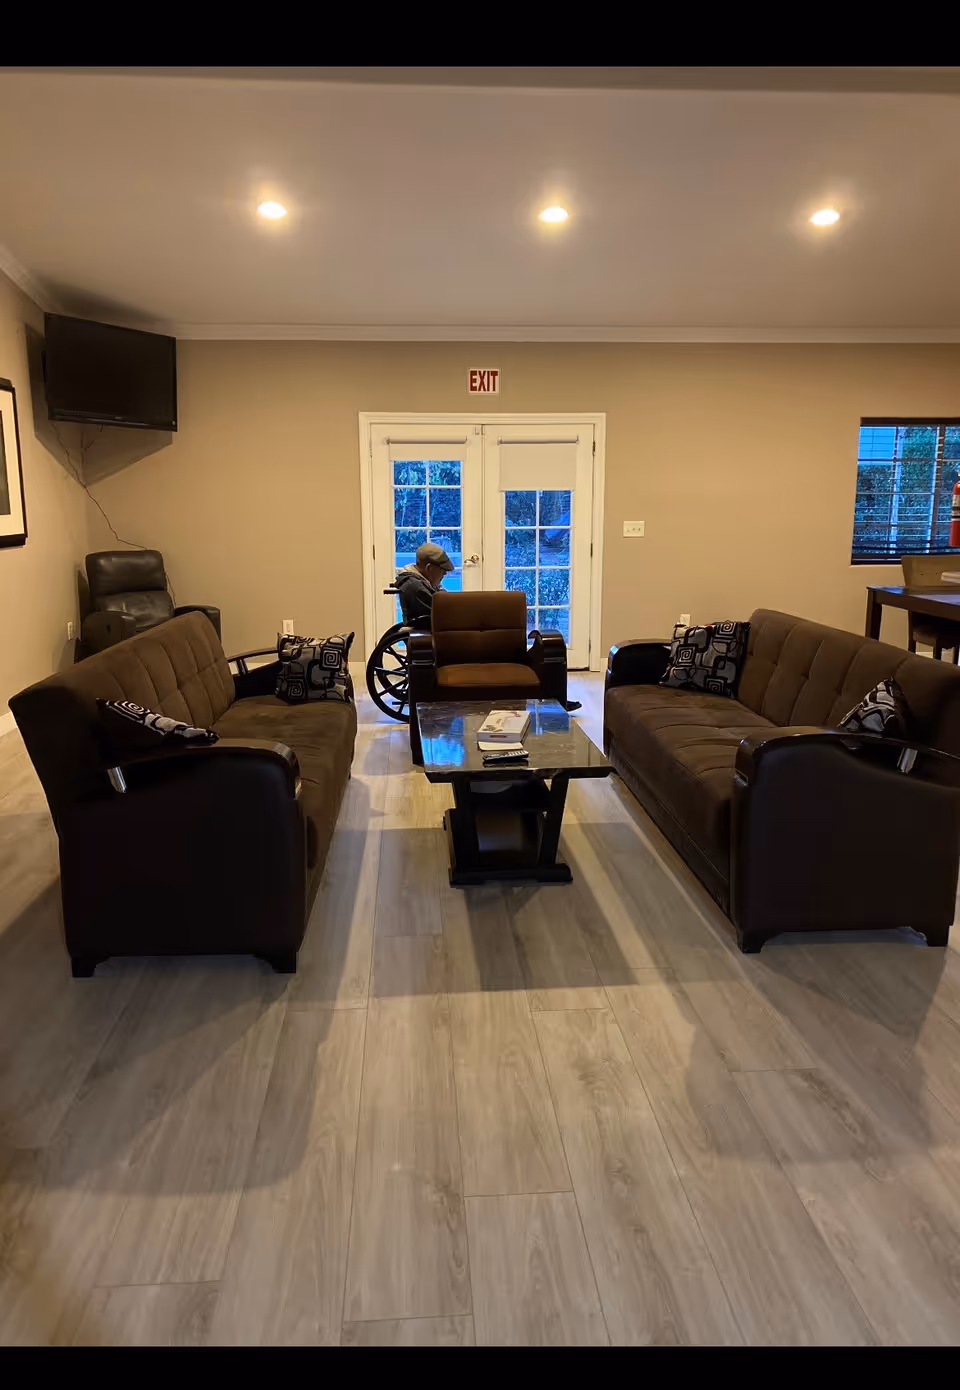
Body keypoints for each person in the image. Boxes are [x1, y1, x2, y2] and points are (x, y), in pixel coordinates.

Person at [395, 541, 455, 626]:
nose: (445, 573)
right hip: (427, 633)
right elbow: (438, 620)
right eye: (442, 569)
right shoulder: (417, 588)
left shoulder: (420, 582)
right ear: (429, 568)